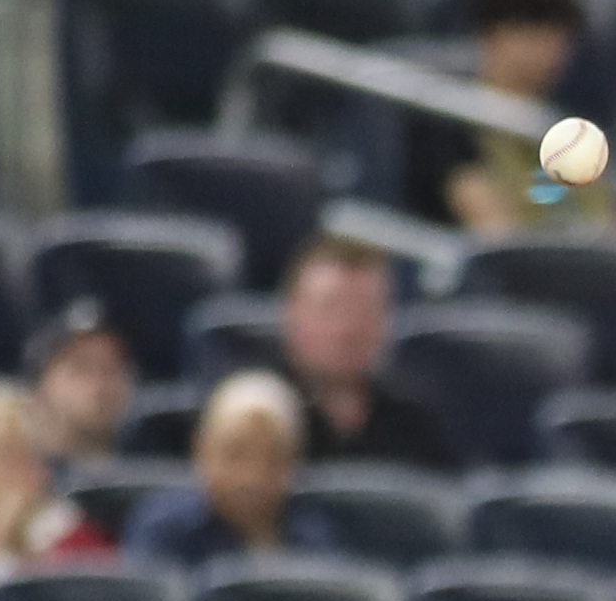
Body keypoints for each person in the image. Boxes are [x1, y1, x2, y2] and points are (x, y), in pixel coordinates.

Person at [407, 0, 616, 235]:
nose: (551, 51)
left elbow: (612, 225)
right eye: (535, 36)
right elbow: (495, 230)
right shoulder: (450, 124)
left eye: (560, 39)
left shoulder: (566, 127)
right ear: (493, 35)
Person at [276, 236, 456, 471]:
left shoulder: (415, 423)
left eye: (366, 311)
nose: (348, 329)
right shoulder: (258, 420)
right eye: (331, 309)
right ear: (292, 314)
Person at [125, 372, 336, 564]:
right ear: (201, 450)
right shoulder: (163, 530)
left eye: (273, 458)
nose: (253, 476)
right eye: (236, 454)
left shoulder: (315, 537)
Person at [0, 381, 111, 572]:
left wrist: (8, 547)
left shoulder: (72, 536)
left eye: (27, 454)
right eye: (0, 452)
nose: (14, 468)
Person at [24, 301, 134, 482]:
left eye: (110, 369)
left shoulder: (140, 474)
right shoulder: (15, 477)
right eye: (81, 368)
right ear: (40, 384)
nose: (98, 384)